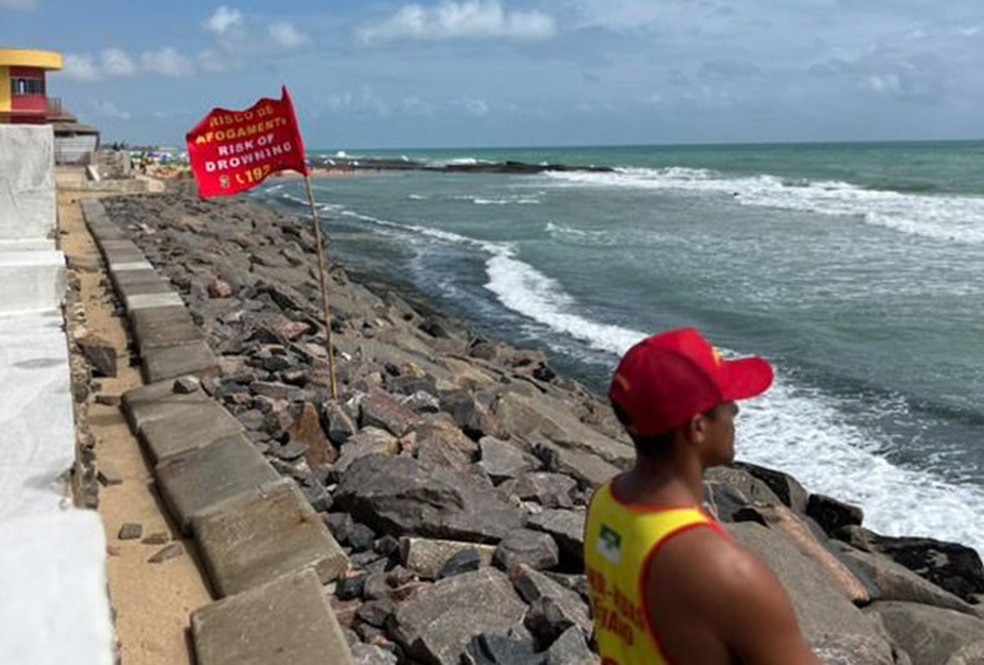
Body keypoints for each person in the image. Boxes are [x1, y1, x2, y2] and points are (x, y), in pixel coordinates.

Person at [584, 328, 820, 665]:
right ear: (697, 427)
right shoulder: (724, 572)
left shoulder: (605, 502)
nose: (735, 410)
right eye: (725, 401)